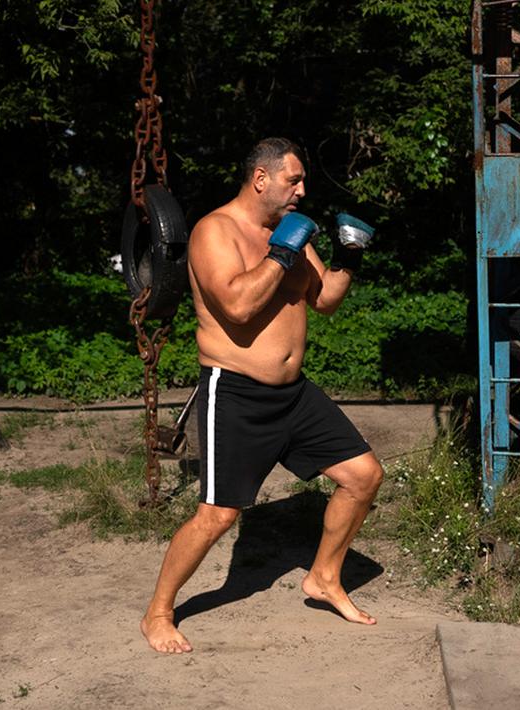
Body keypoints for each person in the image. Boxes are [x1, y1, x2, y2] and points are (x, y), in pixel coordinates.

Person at [140, 137, 385, 654]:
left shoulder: (290, 233)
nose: (302, 190)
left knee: (363, 477)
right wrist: (282, 252)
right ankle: (158, 611)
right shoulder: (215, 231)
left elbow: (323, 301)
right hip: (236, 394)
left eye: (302, 181)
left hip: (294, 395)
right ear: (261, 179)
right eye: (293, 180)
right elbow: (238, 306)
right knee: (218, 516)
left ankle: (323, 577)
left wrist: (347, 258)